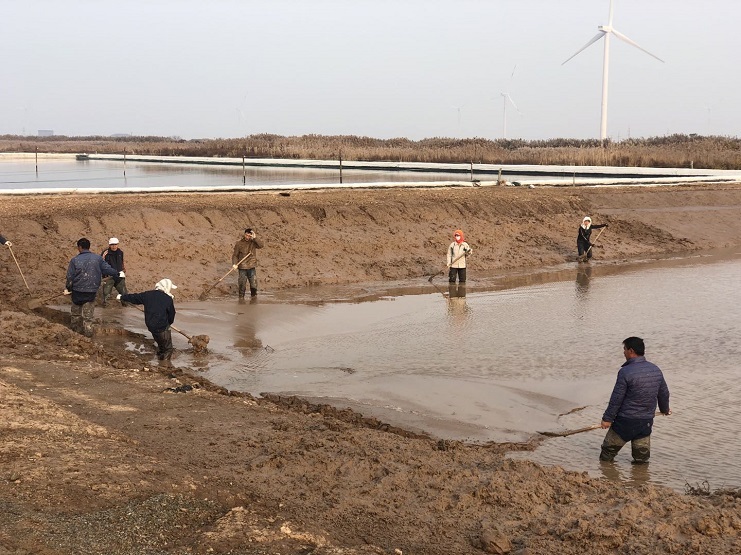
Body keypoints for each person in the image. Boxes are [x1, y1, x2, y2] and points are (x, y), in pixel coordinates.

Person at [600, 336, 671, 464]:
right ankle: (640, 477)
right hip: (645, 423)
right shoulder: (655, 369)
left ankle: (605, 473)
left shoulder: (625, 372)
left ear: (631, 351)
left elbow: (617, 398)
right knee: (641, 460)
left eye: (624, 349)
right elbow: (664, 394)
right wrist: (665, 409)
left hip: (624, 423)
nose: (623, 352)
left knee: (607, 454)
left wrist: (607, 419)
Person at [65, 237, 118, 337]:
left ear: (80, 247)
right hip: (91, 292)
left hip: (77, 291)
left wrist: (68, 288)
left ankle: (75, 335)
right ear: (88, 247)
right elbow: (107, 269)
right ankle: (88, 337)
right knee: (88, 318)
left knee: (75, 315)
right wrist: (116, 273)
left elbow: (70, 277)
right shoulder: (97, 259)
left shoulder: (75, 260)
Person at [119, 279, 177, 361]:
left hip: (151, 326)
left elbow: (134, 298)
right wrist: (168, 324)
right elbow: (172, 314)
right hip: (161, 327)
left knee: (161, 344)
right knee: (168, 349)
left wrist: (122, 297)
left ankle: (160, 357)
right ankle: (164, 364)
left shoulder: (147, 295)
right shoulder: (168, 299)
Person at [232, 228, 264, 299]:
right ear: (244, 234)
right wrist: (234, 264)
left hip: (251, 266)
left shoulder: (253, 242)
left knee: (253, 284)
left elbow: (261, 245)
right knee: (242, 284)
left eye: (249, 236)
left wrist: (255, 238)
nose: (247, 237)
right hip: (242, 267)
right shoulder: (239, 243)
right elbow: (235, 255)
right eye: (246, 235)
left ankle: (253, 297)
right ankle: (241, 298)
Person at [101, 237, 127, 306]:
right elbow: (101, 264)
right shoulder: (105, 253)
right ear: (109, 245)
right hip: (109, 277)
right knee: (106, 293)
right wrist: (104, 275)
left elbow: (122, 262)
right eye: (112, 245)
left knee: (124, 293)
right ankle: (106, 307)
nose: (114, 246)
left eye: (115, 244)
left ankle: (125, 305)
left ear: (117, 244)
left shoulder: (120, 252)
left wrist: (123, 269)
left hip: (119, 275)